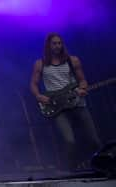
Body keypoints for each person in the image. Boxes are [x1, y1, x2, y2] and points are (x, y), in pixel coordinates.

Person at [29, 33, 102, 171]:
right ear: (48, 46)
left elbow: (82, 79)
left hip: (76, 103)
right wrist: (39, 96)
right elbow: (33, 83)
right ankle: (71, 170)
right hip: (56, 105)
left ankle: (101, 166)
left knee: (93, 139)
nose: (57, 46)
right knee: (69, 141)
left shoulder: (73, 60)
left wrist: (82, 88)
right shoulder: (40, 64)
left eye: (59, 43)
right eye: (54, 43)